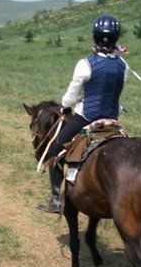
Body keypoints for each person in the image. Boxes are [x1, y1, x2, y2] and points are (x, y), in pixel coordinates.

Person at [37, 14, 129, 213]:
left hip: (86, 116)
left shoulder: (85, 64)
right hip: (112, 118)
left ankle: (55, 201)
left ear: (95, 37)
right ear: (116, 38)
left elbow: (71, 96)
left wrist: (64, 106)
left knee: (54, 150)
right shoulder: (123, 66)